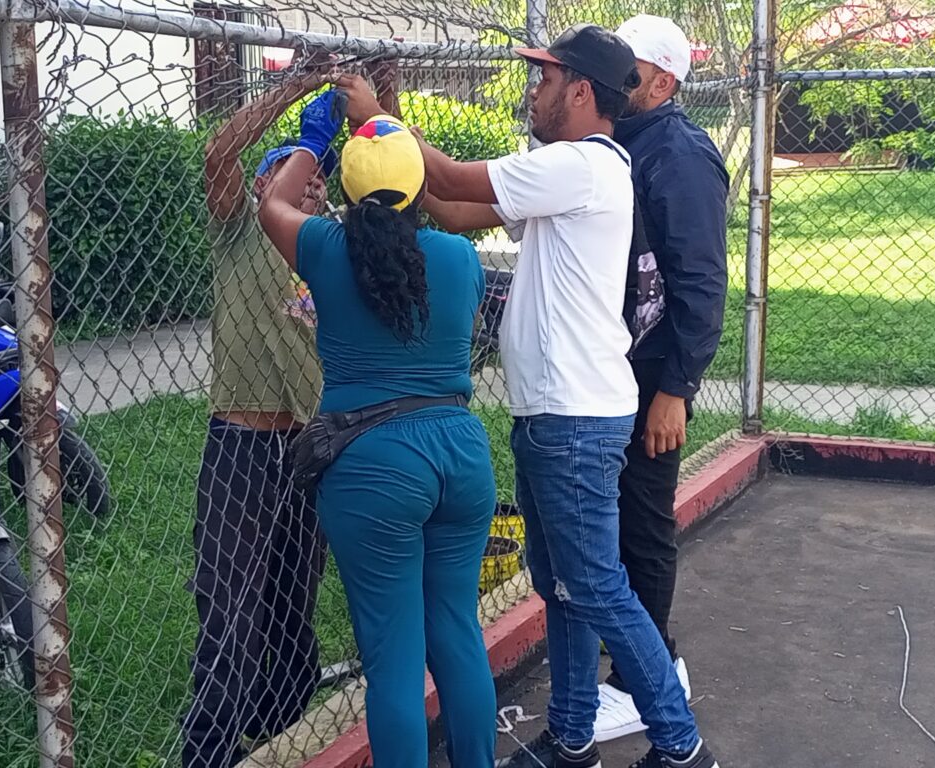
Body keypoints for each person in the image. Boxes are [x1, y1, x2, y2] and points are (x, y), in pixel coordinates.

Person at [358, 24, 720, 768]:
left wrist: (379, 121)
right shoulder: (572, 173)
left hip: (574, 416)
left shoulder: (580, 165)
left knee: (595, 585)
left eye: (545, 79)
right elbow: (456, 211)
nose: (532, 91)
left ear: (581, 91)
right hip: (556, 412)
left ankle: (682, 746)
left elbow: (451, 177)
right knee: (562, 585)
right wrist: (390, 145)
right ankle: (574, 736)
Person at [258, 91, 498, 768]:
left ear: (346, 189)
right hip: (459, 453)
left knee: (393, 659)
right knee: (457, 632)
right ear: (419, 187)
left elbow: (271, 205)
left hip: (373, 465)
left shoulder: (326, 249)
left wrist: (313, 140)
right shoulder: (459, 257)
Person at [181, 66, 335, 768]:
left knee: (293, 597)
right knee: (231, 604)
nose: (311, 181)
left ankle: (281, 723)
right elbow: (220, 153)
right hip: (242, 444)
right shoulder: (240, 230)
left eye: (319, 177)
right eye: (293, 169)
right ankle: (211, 745)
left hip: (307, 445)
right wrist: (295, 89)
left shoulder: (327, 249)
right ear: (261, 187)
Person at [593, 15, 730, 744]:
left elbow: (701, 283)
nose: (619, 75)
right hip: (614, 367)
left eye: (632, 66)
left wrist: (676, 389)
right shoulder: (621, 140)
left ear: (664, 82)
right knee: (614, 521)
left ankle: (645, 677)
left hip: (653, 376)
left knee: (641, 523)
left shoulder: (677, 153)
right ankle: (643, 667)